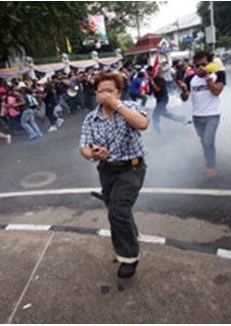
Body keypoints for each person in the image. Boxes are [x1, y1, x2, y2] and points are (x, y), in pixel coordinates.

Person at [79, 73, 149, 279]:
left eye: (110, 91)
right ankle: (131, 236)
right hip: (107, 169)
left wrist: (117, 105)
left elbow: (142, 124)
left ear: (118, 93)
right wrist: (93, 154)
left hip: (132, 168)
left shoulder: (130, 107)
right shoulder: (91, 118)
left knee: (117, 211)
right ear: (96, 94)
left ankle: (129, 258)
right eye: (101, 91)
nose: (106, 95)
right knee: (117, 209)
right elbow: (83, 146)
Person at [179, 51, 226, 178]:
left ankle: (211, 166)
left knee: (207, 140)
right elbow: (184, 98)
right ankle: (209, 160)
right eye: (197, 65)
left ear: (210, 63)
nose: (200, 68)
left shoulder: (219, 74)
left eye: (203, 64)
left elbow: (217, 91)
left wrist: (206, 77)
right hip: (197, 116)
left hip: (212, 115)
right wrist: (183, 90)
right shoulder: (190, 78)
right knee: (204, 141)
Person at [151, 67, 189, 133]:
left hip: (163, 99)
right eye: (158, 71)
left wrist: (153, 83)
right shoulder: (156, 79)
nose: (159, 72)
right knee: (165, 114)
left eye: (160, 71)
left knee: (155, 114)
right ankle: (182, 119)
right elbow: (155, 91)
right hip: (159, 99)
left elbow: (158, 89)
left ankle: (157, 130)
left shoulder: (161, 80)